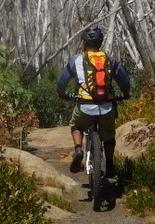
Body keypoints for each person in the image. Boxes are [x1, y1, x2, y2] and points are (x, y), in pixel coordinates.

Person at [56, 25, 131, 178]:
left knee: (76, 125)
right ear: (101, 42)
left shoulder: (76, 60)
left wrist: (62, 94)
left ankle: (78, 149)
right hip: (106, 107)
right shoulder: (109, 60)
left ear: (84, 42)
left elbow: (61, 82)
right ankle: (109, 165)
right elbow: (124, 80)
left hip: (84, 107)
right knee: (109, 136)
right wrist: (125, 94)